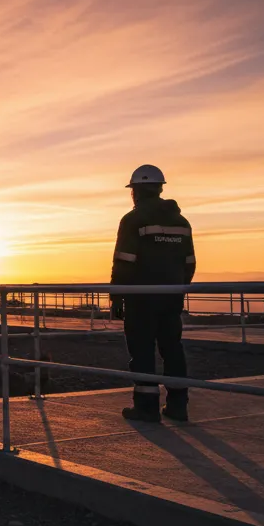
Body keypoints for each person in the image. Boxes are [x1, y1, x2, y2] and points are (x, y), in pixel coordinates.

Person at [110, 164, 196, 423]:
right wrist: (179, 289)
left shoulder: (133, 220)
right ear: (159, 189)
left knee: (143, 351)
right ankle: (178, 405)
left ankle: (146, 407)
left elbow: (124, 261)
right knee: (172, 349)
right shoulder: (181, 222)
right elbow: (189, 263)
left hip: (141, 298)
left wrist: (116, 297)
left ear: (136, 191)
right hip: (171, 297)